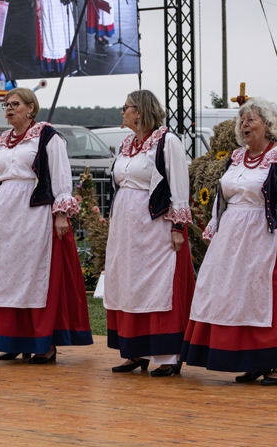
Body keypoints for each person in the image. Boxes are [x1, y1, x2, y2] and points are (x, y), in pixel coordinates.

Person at [181, 98, 277, 384]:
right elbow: (222, 197)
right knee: (233, 298)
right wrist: (215, 230)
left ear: (268, 126)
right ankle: (253, 360)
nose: (245, 124)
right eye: (242, 120)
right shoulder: (235, 158)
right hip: (231, 237)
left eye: (252, 119)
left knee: (259, 300)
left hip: (262, 236)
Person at [0, 87, 92, 364]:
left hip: (34, 211)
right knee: (4, 276)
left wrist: (61, 211)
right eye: (6, 105)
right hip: (3, 213)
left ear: (30, 108)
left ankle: (43, 344)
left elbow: (60, 176)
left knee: (32, 277)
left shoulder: (48, 137)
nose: (9, 109)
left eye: (15, 104)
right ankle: (10, 339)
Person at [104, 90, 194, 376]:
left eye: (126, 106)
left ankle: (168, 355)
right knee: (129, 283)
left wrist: (178, 226)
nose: (122, 111)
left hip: (155, 226)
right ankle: (135, 352)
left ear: (140, 111)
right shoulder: (128, 144)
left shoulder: (168, 142)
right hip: (126, 229)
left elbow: (179, 185)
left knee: (156, 286)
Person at [36, 0, 75, 73]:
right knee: (53, 32)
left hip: (63, 3)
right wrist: (38, 6)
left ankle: (65, 58)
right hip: (49, 4)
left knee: (64, 29)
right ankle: (54, 64)